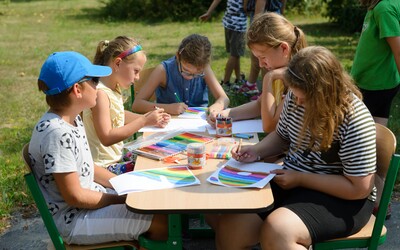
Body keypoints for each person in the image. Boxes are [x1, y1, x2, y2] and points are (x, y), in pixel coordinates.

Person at [215, 46, 376, 250]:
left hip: (343, 199)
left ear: (325, 92)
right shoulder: (296, 95)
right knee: (231, 226)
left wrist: (301, 178)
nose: (296, 102)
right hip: (294, 180)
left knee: (278, 231)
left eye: (304, 99)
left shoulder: (354, 119)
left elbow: (359, 188)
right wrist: (256, 151)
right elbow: (282, 137)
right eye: (294, 95)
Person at [29, 51, 168, 245]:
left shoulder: (72, 118)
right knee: (162, 222)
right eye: (94, 81)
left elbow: (87, 167)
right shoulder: (56, 134)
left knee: (154, 202)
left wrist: (124, 184)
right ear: (77, 90)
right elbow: (75, 196)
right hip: (76, 220)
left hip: (91, 203)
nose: (98, 86)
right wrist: (121, 199)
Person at [83, 36, 171, 174]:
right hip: (103, 168)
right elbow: (106, 137)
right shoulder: (100, 94)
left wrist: (150, 118)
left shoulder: (112, 87)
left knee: (158, 157)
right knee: (150, 170)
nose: (138, 78)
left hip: (114, 160)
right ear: (117, 64)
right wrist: (143, 121)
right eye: (136, 71)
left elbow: (119, 115)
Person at [208, 12, 307, 133]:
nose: (261, 65)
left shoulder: (300, 80)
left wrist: (269, 78)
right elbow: (260, 105)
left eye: (263, 57)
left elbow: (269, 126)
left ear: (284, 49)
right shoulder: (282, 73)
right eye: (257, 58)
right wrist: (226, 113)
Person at [131, 34, 229, 115]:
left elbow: (224, 98)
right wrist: (167, 108)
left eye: (197, 74)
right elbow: (137, 105)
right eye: (186, 71)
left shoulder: (204, 68)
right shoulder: (163, 71)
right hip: (169, 124)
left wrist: (218, 106)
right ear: (178, 56)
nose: (190, 77)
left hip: (199, 124)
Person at [351, 0, 400, 127]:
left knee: (358, 130)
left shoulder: (384, 9)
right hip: (370, 82)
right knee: (377, 131)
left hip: (373, 84)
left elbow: (398, 51)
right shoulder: (380, 7)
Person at [240, 0, 287, 99]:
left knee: (267, 61)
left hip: (264, 23)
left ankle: (266, 93)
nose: (260, 63)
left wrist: (255, 28)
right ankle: (263, 91)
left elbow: (260, 7)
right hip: (275, 17)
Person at [199, 0, 248, 88]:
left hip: (228, 22)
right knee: (234, 55)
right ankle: (226, 83)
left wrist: (208, 12)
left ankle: (238, 79)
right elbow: (245, 8)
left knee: (236, 54)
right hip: (238, 25)